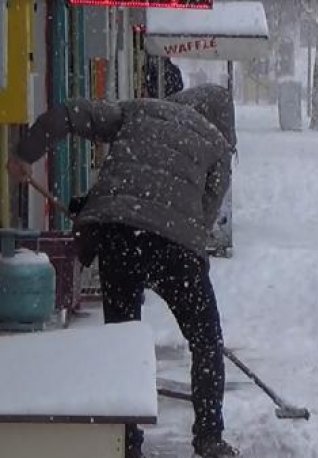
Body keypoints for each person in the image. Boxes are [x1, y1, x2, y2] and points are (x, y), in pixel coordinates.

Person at [8, 84, 239, 458]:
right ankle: (210, 437)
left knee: (121, 343)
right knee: (206, 340)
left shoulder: (142, 110)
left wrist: (25, 152)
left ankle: (126, 441)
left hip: (118, 236)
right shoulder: (217, 146)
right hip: (175, 247)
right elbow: (204, 219)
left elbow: (70, 113)